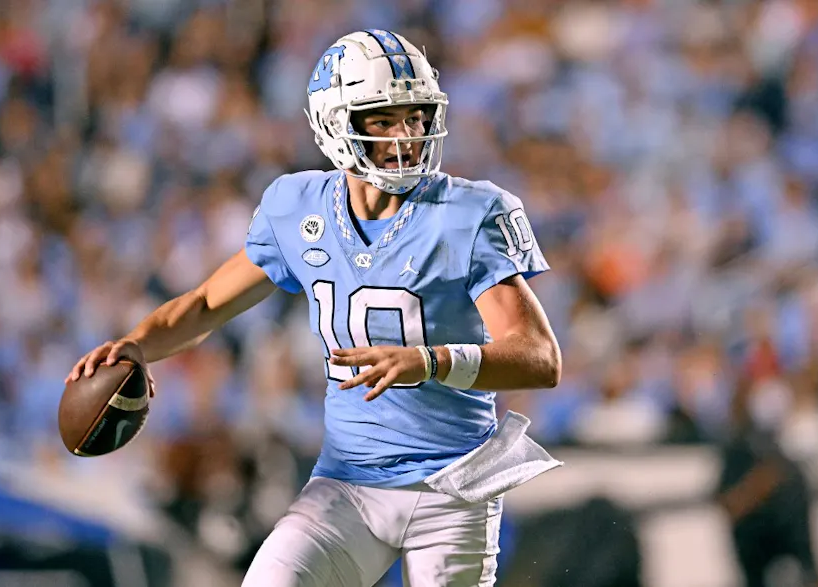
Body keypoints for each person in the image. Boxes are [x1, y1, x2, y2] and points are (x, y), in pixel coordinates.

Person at [66, 29, 562, 587]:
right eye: (385, 118)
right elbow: (207, 303)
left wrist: (431, 361)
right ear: (336, 123)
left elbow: (539, 357)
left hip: (451, 490)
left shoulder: (468, 213)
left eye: (418, 116)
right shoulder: (297, 206)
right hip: (346, 483)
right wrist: (139, 343)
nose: (410, 134)